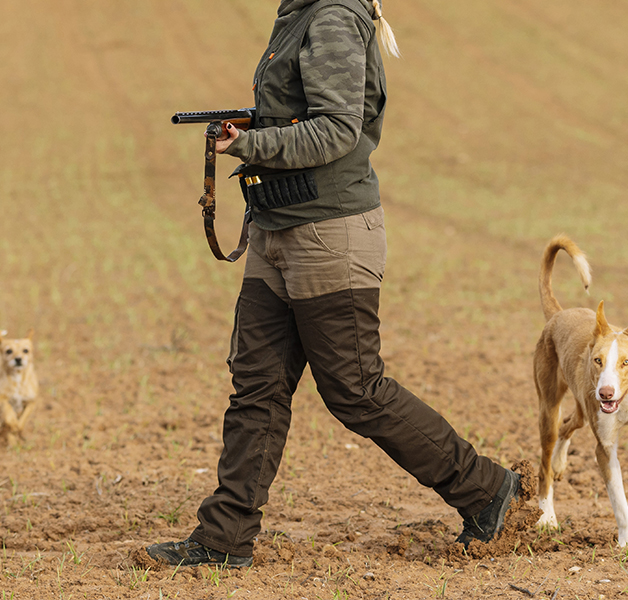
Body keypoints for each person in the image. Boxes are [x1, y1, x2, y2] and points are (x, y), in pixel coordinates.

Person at [148, 0, 522, 568]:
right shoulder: (300, 13)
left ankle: (486, 488)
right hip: (277, 229)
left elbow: (337, 130)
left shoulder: (330, 17)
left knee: (356, 390)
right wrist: (257, 125)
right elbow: (306, 113)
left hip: (328, 233)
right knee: (257, 386)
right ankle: (223, 539)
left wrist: (249, 145)